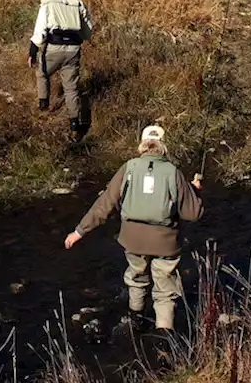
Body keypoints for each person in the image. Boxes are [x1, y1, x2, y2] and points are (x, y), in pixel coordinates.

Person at [64, 125, 203, 330]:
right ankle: (164, 336)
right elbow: (193, 214)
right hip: (165, 243)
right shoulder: (173, 172)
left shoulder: (128, 168)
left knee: (137, 278)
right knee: (165, 289)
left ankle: (135, 318)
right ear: (163, 145)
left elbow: (105, 204)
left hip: (132, 240)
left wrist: (79, 231)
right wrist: (195, 192)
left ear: (143, 144)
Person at [28, 0, 93, 140]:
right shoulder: (77, 3)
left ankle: (43, 108)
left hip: (53, 47)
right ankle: (75, 125)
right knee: (71, 88)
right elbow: (87, 31)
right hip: (73, 49)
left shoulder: (47, 4)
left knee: (42, 74)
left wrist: (32, 52)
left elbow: (40, 31)